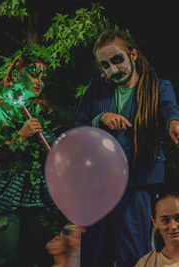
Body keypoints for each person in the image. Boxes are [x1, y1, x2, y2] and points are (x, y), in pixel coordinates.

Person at [75, 29, 179, 267]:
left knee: (134, 256)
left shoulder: (159, 86)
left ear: (133, 55)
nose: (112, 70)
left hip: (136, 182)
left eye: (117, 60)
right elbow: (78, 126)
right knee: (93, 255)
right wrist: (100, 118)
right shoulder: (97, 87)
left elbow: (168, 107)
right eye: (105, 65)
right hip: (98, 185)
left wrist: (173, 121)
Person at [0, 51, 67, 267]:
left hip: (36, 200)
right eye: (34, 74)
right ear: (17, 74)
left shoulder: (41, 117)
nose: (39, 81)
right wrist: (20, 136)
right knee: (6, 262)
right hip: (3, 198)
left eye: (43, 77)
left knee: (39, 261)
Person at [135, 192, 179, 266]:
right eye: (165, 220)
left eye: (178, 218)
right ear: (155, 222)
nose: (173, 226)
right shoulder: (146, 263)